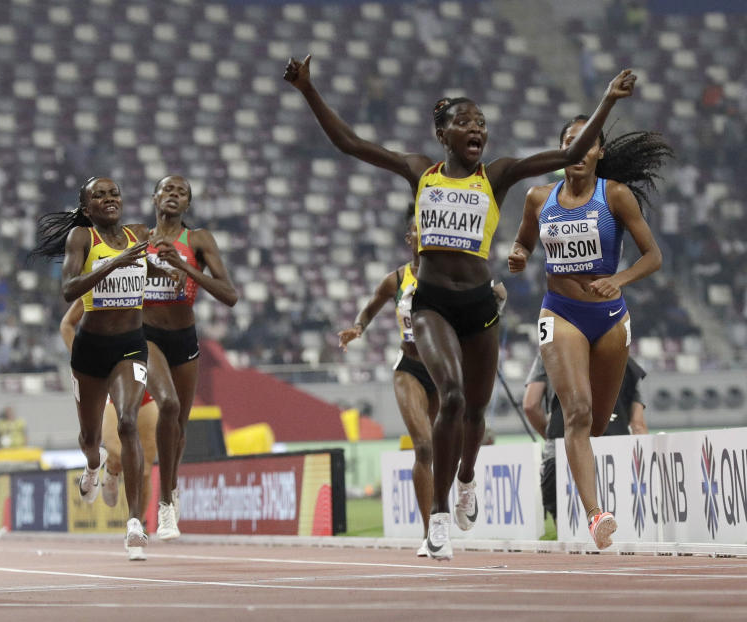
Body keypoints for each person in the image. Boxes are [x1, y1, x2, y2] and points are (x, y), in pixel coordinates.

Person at [284, 54, 636, 560]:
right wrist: (308, 90)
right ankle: (441, 515)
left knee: (474, 409)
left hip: (479, 305)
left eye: (482, 124)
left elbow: (574, 151)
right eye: (465, 122)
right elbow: (350, 143)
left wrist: (606, 100)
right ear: (442, 133)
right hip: (431, 304)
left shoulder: (498, 175)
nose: (477, 129)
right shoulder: (418, 172)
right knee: (449, 396)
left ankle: (467, 477)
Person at [508, 117, 671, 549]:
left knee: (597, 423)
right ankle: (595, 513)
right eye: (569, 143)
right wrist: (519, 254)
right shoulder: (539, 198)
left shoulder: (613, 196)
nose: (578, 151)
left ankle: (588, 483)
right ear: (561, 150)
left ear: (598, 152)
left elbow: (653, 255)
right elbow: (523, 242)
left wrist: (620, 279)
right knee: (576, 413)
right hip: (560, 312)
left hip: (611, 315)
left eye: (587, 144)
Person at [30, 176, 175, 557]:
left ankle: (134, 525)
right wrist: (115, 263)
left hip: (129, 346)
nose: (110, 198)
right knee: (91, 439)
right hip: (90, 349)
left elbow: (145, 270)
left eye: (114, 193)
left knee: (128, 420)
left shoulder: (137, 234)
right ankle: (93, 467)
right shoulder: (82, 239)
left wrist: (166, 271)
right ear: (86, 207)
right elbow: (68, 289)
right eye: (100, 195)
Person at [337, 203, 440, 557]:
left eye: (429, 229)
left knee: (443, 448)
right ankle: (431, 534)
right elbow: (372, 306)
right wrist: (358, 327)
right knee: (423, 446)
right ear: (409, 238)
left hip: (443, 372)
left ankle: (451, 506)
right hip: (409, 367)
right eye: (417, 230)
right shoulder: (397, 279)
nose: (422, 235)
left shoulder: (452, 276)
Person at [144, 175, 238, 540]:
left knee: (179, 428)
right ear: (155, 198)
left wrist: (184, 267)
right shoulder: (138, 237)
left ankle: (172, 489)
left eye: (181, 193)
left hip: (183, 339)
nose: (173, 195)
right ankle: (165, 504)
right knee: (166, 404)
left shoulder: (198, 240)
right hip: (145, 334)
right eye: (167, 189)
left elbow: (229, 295)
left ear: (187, 205)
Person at [60, 297, 159, 561]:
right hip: (105, 380)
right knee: (108, 447)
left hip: (143, 383)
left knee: (146, 467)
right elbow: (67, 325)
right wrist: (86, 365)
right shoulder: (99, 276)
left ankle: (137, 525)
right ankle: (109, 468)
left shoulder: (148, 281)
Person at [524, 353, 648, 523]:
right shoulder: (624, 358)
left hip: (562, 454)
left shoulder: (551, 349)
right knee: (622, 535)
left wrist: (558, 440)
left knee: (567, 541)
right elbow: (638, 425)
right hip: (618, 457)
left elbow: (530, 405)